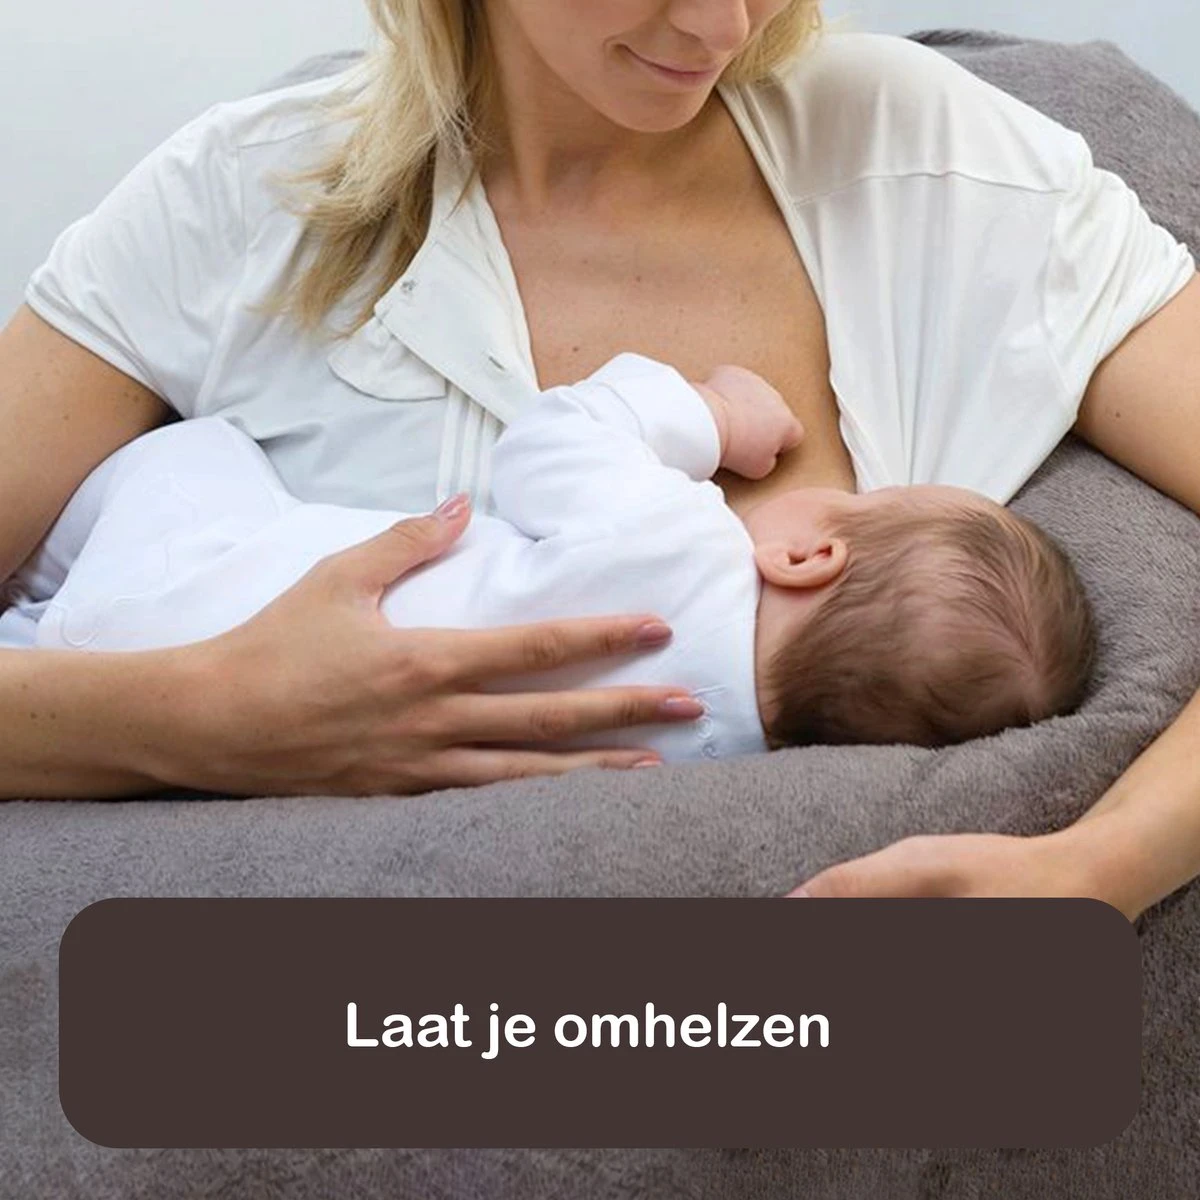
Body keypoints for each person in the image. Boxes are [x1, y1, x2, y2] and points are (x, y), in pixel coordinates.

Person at [2, 2, 1198, 919]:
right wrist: (195, 715)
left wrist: (1105, 863)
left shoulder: (938, 171)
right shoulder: (231, 206)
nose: (723, 25)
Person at [4, 353, 1095, 760]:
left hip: (202, 602)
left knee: (203, 451)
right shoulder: (711, 755)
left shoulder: (687, 547)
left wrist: (711, 415)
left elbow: (553, 444)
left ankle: (40, 584)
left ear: (809, 555)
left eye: (870, 496)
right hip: (150, 692)